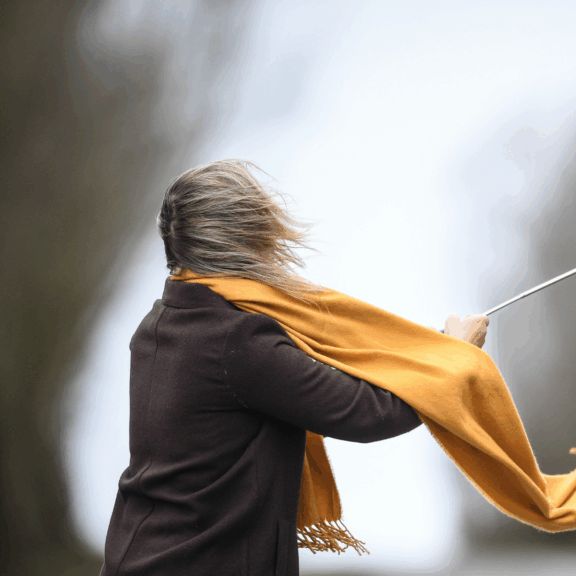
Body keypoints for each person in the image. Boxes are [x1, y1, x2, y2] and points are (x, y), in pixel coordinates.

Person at [100, 160, 489, 576]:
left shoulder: (160, 323)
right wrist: (454, 357)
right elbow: (364, 412)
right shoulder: (237, 342)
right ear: (243, 238)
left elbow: (306, 377)